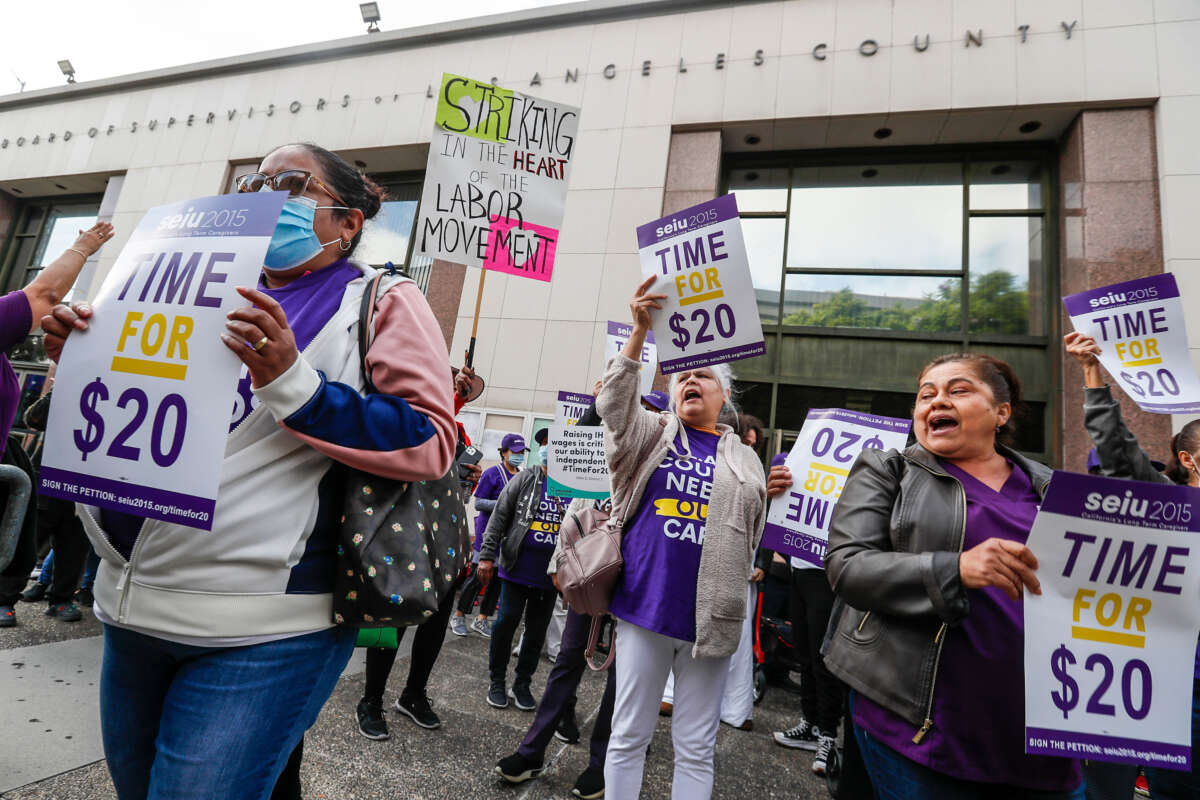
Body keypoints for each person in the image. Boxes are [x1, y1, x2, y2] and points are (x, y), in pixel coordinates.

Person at [41, 142, 456, 799]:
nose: (266, 195)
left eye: (290, 183)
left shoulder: (379, 300)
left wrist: (298, 386)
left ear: (346, 222)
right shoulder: (181, 284)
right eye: (253, 184)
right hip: (129, 610)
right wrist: (85, 355)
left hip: (266, 628)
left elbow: (432, 440)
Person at [821, 352, 1083, 799]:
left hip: (1041, 743)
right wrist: (955, 568)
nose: (936, 401)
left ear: (1001, 412)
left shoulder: (1054, 490)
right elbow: (848, 565)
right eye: (926, 395)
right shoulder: (889, 471)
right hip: (924, 731)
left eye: (958, 390)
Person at [597, 276, 767, 800]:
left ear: (724, 395)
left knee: (696, 745)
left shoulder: (747, 460)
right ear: (671, 393)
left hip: (710, 622)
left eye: (704, 376)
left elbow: (752, 535)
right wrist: (639, 331)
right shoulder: (650, 432)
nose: (691, 380)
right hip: (644, 609)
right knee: (628, 735)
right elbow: (612, 405)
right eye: (683, 376)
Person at [1066, 331, 1199, 800]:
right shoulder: (1171, 504)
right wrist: (1091, 373)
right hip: (1178, 685)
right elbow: (1118, 453)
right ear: (1189, 459)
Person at [0, 220, 113, 628]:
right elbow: (43, 294)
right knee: (38, 534)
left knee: (71, 539)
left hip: (83, 479)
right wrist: (84, 245)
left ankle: (57, 593)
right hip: (48, 473)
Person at [769, 448, 846, 775]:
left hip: (824, 574)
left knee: (822, 657)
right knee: (804, 652)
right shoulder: (798, 471)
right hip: (799, 568)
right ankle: (811, 723)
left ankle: (828, 733)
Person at [478, 441, 564, 711]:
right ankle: (497, 681)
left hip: (550, 577)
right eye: (547, 445)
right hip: (516, 570)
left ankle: (522, 684)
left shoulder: (572, 487)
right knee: (505, 624)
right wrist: (486, 556)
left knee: (537, 633)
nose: (550, 450)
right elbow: (499, 517)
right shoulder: (525, 479)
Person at [20, 380, 90, 622]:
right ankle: (4, 598)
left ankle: (60, 600)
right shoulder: (68, 387)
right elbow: (33, 420)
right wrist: (60, 387)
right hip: (48, 478)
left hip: (87, 484)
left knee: (74, 547)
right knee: (26, 540)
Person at [451, 433, 526, 637]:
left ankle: (482, 619)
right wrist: (505, 505)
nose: (519, 455)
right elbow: (479, 502)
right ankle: (458, 615)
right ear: (504, 452)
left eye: (522, 452)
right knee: (477, 576)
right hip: (488, 533)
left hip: (509, 536)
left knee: (497, 580)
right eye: (515, 452)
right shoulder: (493, 473)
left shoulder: (521, 475)